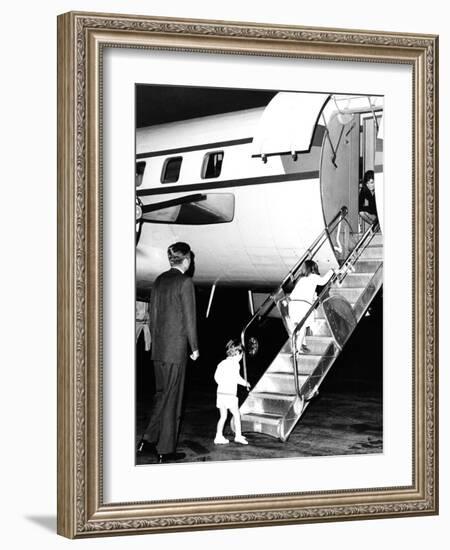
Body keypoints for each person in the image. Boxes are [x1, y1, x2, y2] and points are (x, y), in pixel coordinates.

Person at [137, 242, 199, 463]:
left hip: (159, 350)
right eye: (191, 258)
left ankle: (147, 440)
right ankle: (165, 450)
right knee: (173, 399)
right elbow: (189, 320)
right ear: (187, 260)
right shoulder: (185, 283)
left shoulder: (159, 281)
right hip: (175, 352)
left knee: (161, 396)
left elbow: (153, 318)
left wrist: (156, 344)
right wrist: (194, 348)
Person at [289, 260, 334, 353]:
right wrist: (332, 271)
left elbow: (308, 292)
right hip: (302, 305)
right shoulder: (313, 277)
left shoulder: (301, 279)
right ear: (313, 268)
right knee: (302, 328)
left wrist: (315, 297)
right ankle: (296, 351)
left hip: (293, 305)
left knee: (300, 327)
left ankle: (302, 345)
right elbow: (323, 281)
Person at [214, 339, 251, 446]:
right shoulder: (235, 364)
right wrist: (245, 383)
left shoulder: (222, 363)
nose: (241, 358)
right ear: (238, 353)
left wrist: (222, 383)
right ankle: (238, 436)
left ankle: (218, 436)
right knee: (236, 414)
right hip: (230, 395)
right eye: (241, 355)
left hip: (220, 394)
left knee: (223, 417)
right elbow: (236, 378)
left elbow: (216, 377)